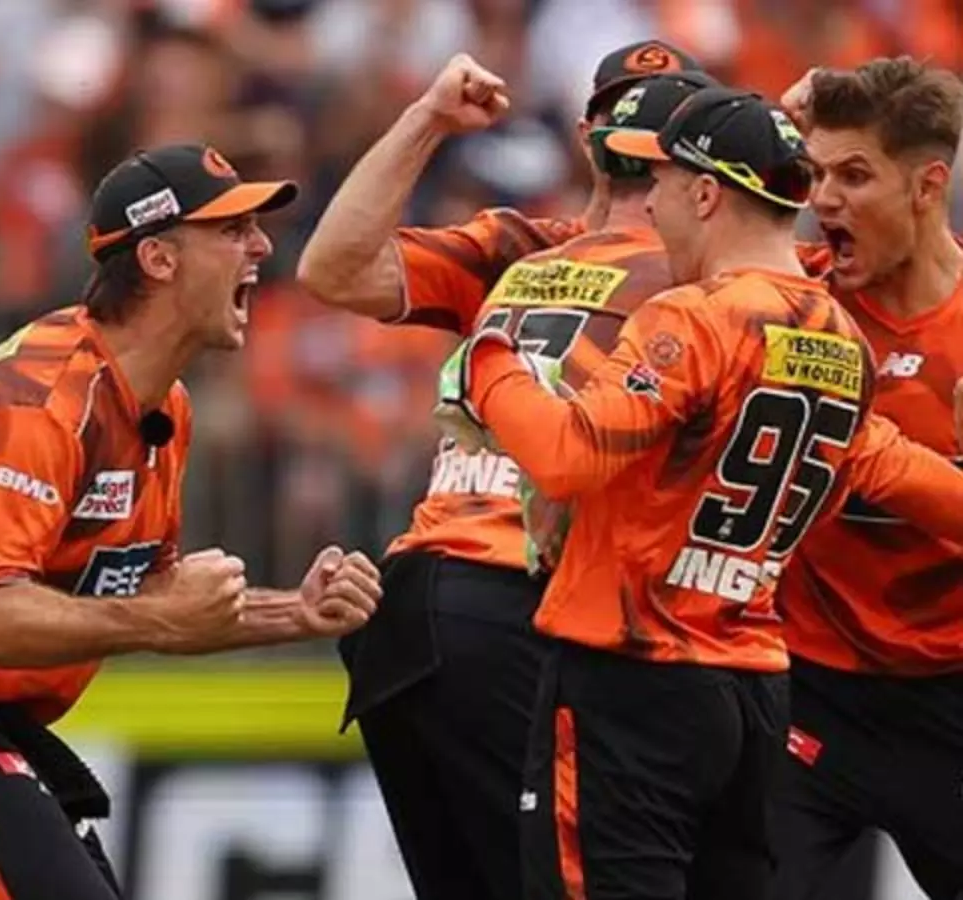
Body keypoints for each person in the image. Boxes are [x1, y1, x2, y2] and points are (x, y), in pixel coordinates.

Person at [0, 142, 384, 900]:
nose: (261, 247)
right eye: (232, 229)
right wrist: (162, 617)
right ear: (157, 258)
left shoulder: (163, 405)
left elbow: (156, 602)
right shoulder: (36, 400)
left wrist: (296, 612)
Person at [452, 85, 963, 900]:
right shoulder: (842, 337)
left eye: (658, 183)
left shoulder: (692, 317)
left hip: (632, 671)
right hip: (754, 685)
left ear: (703, 193)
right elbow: (870, 476)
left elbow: (566, 455)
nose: (649, 206)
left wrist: (488, 358)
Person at [294, 41, 706, 900]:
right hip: (517, 601)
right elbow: (333, 270)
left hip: (416, 608)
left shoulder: (523, 256)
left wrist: (427, 118)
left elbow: (330, 268)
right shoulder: (698, 276)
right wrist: (427, 120)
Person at [766, 58, 963, 900]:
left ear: (928, 186)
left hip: (948, 695)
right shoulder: (792, 301)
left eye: (852, 176)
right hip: (807, 687)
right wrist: (774, 134)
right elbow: (690, 221)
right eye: (813, 176)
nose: (824, 200)